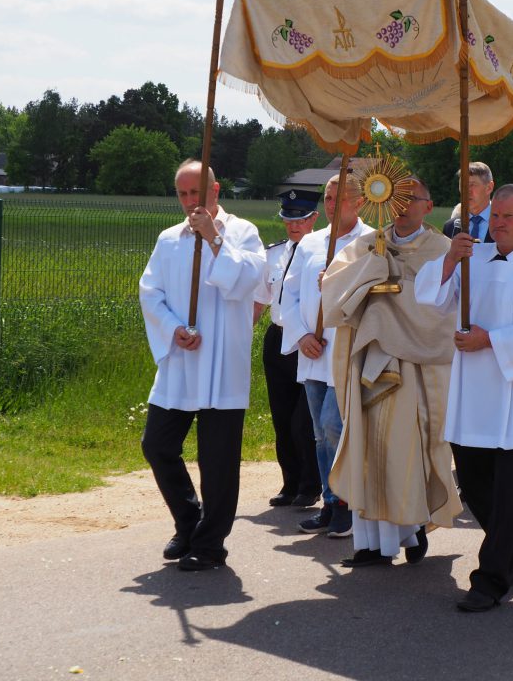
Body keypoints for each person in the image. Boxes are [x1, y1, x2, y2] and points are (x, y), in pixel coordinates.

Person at [415, 184, 513, 611]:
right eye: (495, 216)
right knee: (472, 483)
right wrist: (450, 258)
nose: (499, 224)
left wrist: (491, 340)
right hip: (474, 392)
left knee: (508, 491)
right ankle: (512, 539)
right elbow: (430, 298)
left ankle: (491, 580)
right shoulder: (472, 257)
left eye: (509, 217)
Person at [323, 178, 462, 568]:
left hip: (416, 369)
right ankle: (370, 545)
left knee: (406, 451)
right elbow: (334, 290)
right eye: (396, 198)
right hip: (370, 362)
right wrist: (372, 271)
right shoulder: (368, 245)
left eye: (411, 198)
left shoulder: (443, 250)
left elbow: (445, 311)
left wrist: (390, 304)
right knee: (368, 447)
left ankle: (412, 528)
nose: (402, 206)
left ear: (428, 205)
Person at [138, 160, 266, 571]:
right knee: (157, 445)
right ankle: (189, 521)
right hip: (181, 358)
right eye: (183, 193)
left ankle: (210, 545)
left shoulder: (243, 232)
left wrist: (214, 239)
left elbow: (248, 282)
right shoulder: (169, 239)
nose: (190, 201)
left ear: (216, 190)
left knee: (218, 460)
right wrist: (173, 328)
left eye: (197, 192)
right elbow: (150, 292)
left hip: (222, 362)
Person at [281, 173, 372, 538]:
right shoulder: (310, 243)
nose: (332, 205)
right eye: (329, 198)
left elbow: (375, 296)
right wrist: (301, 335)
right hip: (313, 350)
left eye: (340, 198)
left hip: (347, 351)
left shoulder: (370, 242)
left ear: (359, 202)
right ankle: (330, 500)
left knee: (336, 425)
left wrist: (338, 285)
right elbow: (289, 294)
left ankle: (347, 501)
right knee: (319, 432)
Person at [254, 189, 322, 509]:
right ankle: (290, 483)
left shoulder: (321, 251)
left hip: (308, 342)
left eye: (301, 219)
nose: (293, 226)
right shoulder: (274, 254)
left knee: (303, 422)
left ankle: (311, 485)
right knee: (282, 418)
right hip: (278, 337)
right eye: (288, 219)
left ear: (314, 218)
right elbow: (260, 299)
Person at [443, 162, 495, 242]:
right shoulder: (450, 227)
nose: (466, 191)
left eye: (472, 185)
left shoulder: (504, 224)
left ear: (489, 188)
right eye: (462, 185)